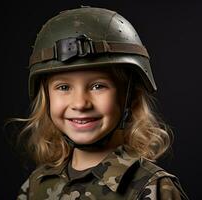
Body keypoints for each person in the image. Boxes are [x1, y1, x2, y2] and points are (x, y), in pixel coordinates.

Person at [15, 6, 189, 200]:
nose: (80, 104)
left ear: (129, 96)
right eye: (63, 87)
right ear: (46, 97)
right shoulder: (36, 185)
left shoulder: (154, 189)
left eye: (98, 86)